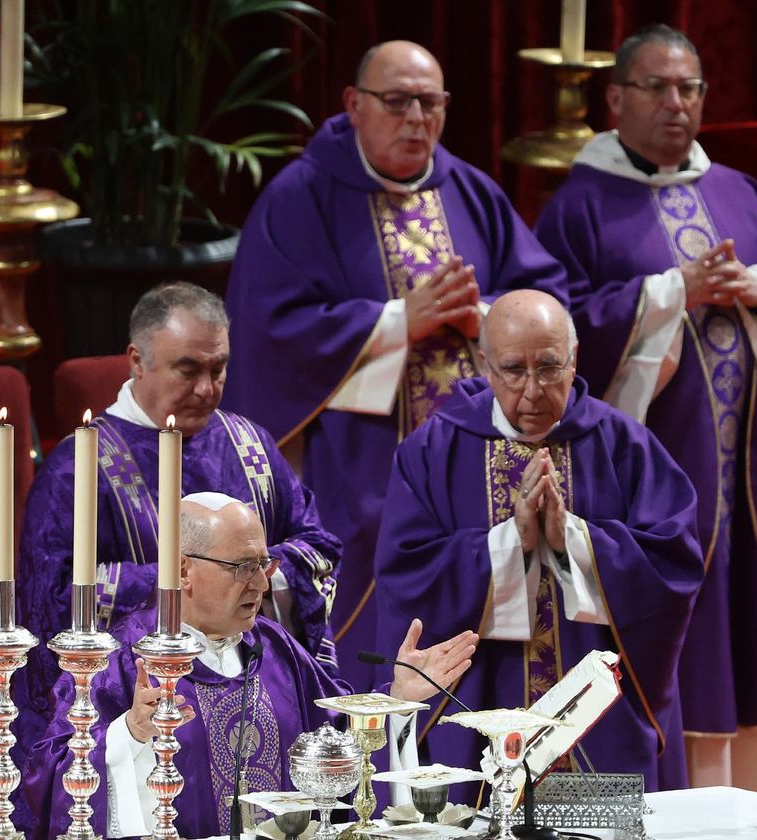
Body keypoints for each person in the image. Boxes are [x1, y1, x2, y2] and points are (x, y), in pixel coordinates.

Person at [531, 24, 757, 793]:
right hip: (648, 482)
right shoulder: (579, 205)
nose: (676, 104)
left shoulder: (741, 193)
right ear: (616, 98)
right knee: (654, 634)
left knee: (751, 633)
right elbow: (551, 323)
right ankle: (644, 817)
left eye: (690, 88)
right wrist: (672, 296)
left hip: (750, 485)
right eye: (657, 88)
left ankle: (755, 817)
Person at [223, 40, 568, 687]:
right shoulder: (302, 198)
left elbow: (550, 301)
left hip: (486, 464)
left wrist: (486, 318)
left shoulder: (471, 191)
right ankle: (372, 783)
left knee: (496, 650)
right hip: (364, 469)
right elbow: (270, 331)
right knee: (373, 635)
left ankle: (492, 774)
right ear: (354, 105)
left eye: (431, 102)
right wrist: (396, 322)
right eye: (398, 101)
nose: (417, 118)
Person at [374, 290, 703, 790]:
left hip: (599, 729)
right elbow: (406, 573)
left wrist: (573, 540)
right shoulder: (431, 450)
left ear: (574, 362)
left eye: (549, 368)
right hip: (480, 707)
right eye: (513, 370)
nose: (531, 391)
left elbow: (673, 564)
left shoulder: (624, 444)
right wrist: (512, 542)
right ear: (485, 365)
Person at [16, 494, 477, 840]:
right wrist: (130, 735)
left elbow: (334, 741)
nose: (260, 584)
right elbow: (51, 778)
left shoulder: (275, 648)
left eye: (263, 564)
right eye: (242, 567)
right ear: (182, 570)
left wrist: (395, 700)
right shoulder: (117, 661)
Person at [14, 282, 342, 750]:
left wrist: (247, 573)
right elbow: (52, 601)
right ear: (137, 361)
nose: (207, 389)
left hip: (259, 694)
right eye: (187, 370)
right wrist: (194, 582)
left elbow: (318, 547)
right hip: (139, 711)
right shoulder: (79, 467)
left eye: (219, 369)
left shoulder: (251, 445)